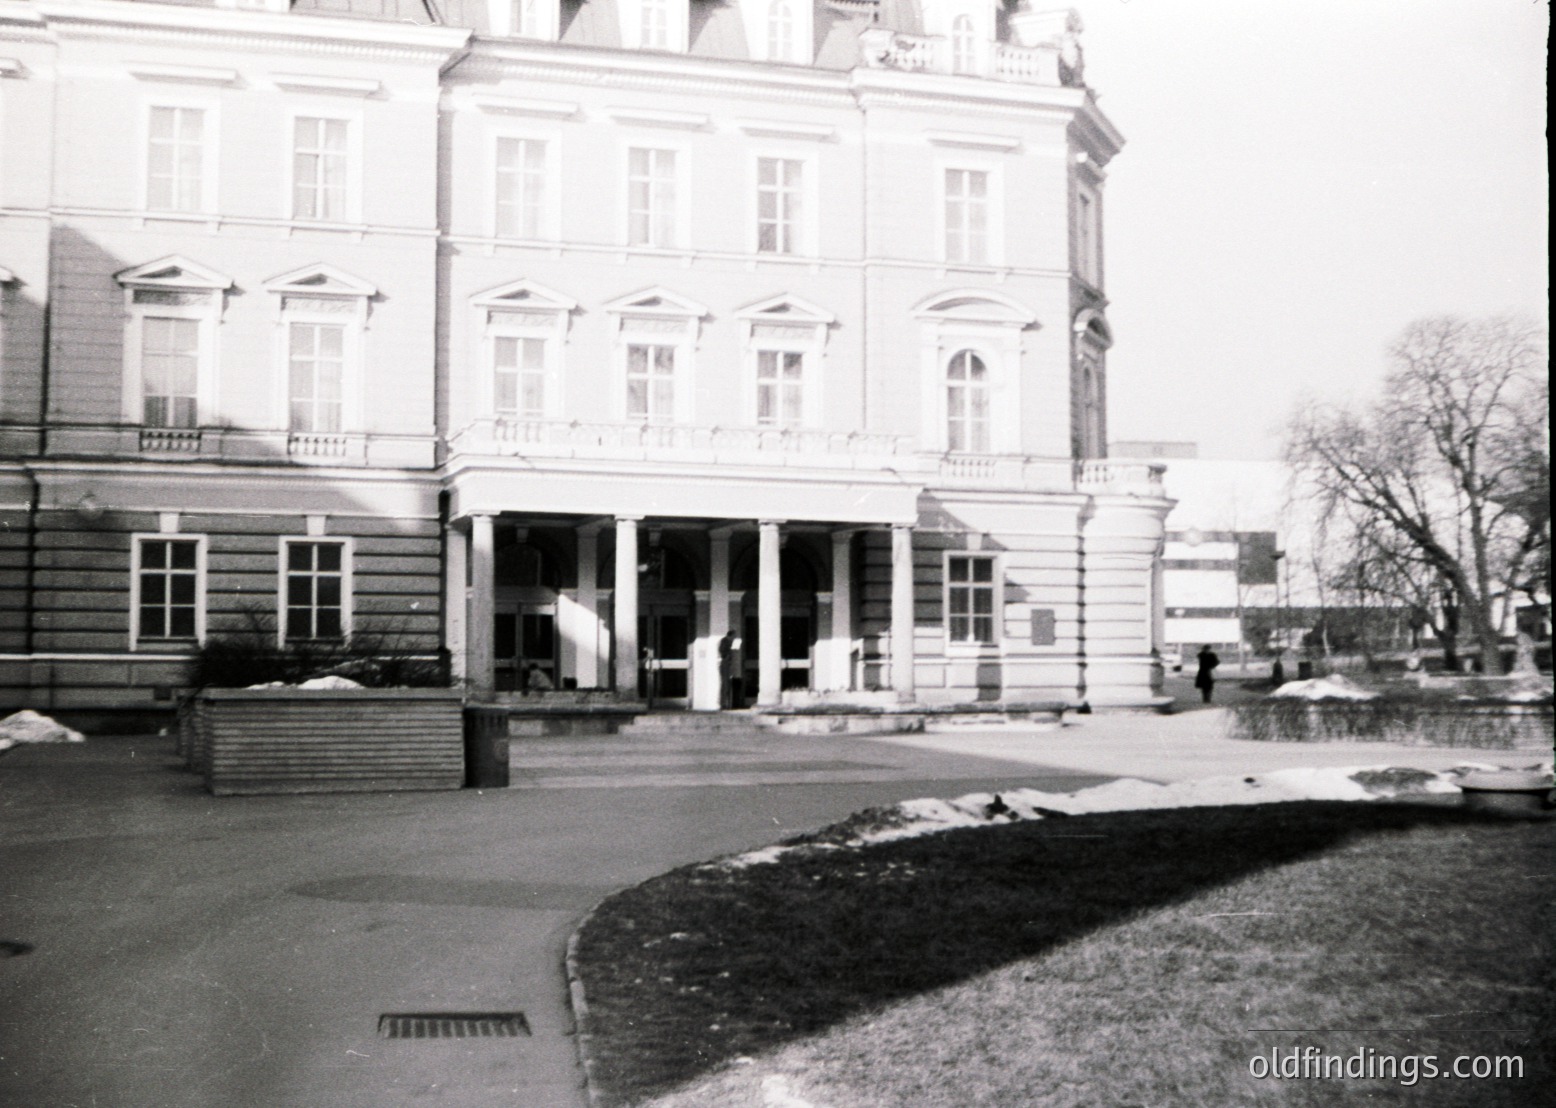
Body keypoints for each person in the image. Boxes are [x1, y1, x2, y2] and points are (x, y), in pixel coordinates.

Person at [717, 630, 737, 710]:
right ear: (731, 635)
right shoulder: (725, 641)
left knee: (727, 684)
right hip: (725, 663)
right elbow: (722, 651)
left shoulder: (728, 642)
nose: (734, 638)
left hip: (728, 664)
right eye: (734, 636)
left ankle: (727, 703)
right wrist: (729, 653)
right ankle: (723, 703)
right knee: (725, 684)